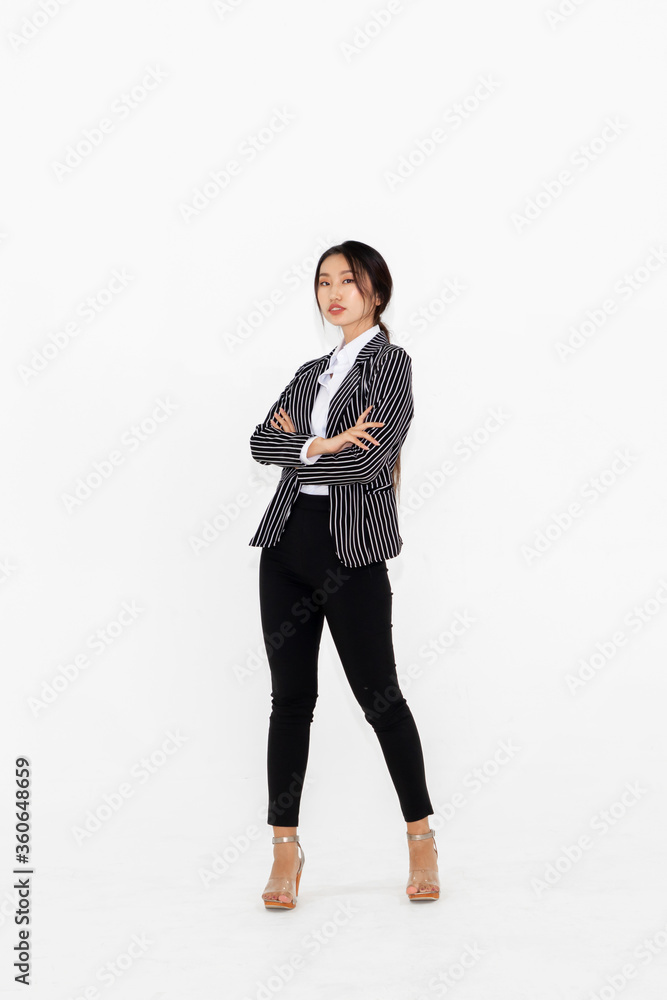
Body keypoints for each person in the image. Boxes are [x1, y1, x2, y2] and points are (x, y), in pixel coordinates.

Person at [248, 240, 439, 908]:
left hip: (351, 555)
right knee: (289, 702)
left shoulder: (391, 365)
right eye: (323, 281)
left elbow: (367, 464)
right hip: (285, 549)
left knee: (379, 700)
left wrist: (299, 451)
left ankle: (420, 837)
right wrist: (318, 444)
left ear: (375, 293)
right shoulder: (311, 371)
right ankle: (283, 850)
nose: (334, 293)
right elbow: (257, 442)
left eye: (349, 282)